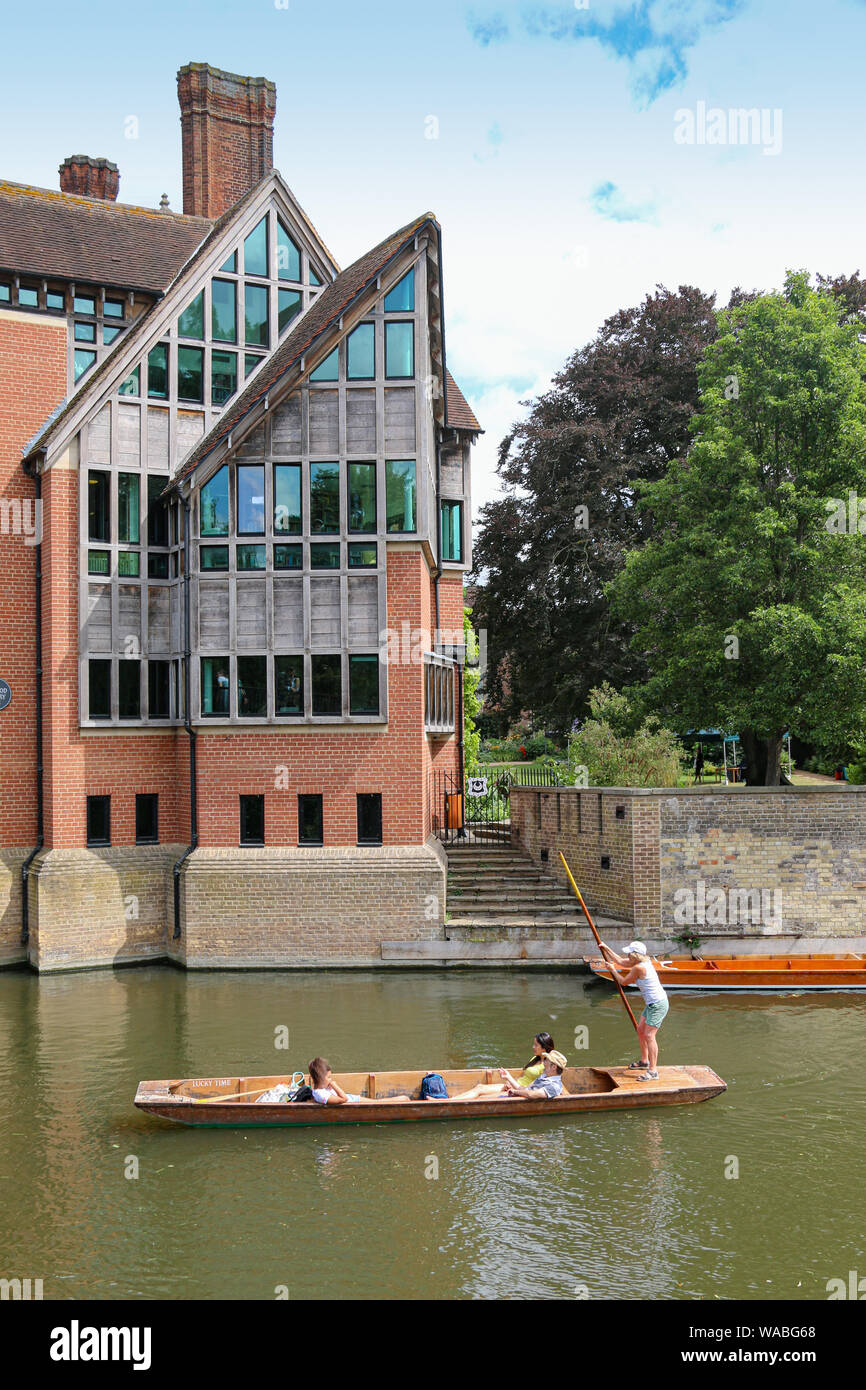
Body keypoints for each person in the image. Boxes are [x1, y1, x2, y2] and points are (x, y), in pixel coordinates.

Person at [599, 940, 669, 1081]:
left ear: (636, 955)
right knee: (640, 1030)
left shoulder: (640, 968)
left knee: (649, 1036)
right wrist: (606, 948)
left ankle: (653, 1071)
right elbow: (620, 961)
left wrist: (612, 970)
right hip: (651, 1004)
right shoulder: (640, 963)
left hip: (658, 1004)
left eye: (630, 954)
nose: (628, 956)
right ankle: (644, 1061)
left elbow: (624, 982)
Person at [447, 1032, 555, 1102]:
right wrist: (510, 1082)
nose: (533, 1047)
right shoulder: (534, 1059)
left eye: (536, 1045)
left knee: (481, 1096)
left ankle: (447, 1102)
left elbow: (536, 1086)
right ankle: (449, 1100)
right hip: (512, 1086)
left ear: (544, 1048)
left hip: (519, 1092)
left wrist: (514, 1088)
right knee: (480, 1087)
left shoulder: (548, 1066)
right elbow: (523, 1076)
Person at [451, 1047, 568, 1102]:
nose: (545, 1062)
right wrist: (508, 1077)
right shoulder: (544, 1077)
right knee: (480, 1092)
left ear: (554, 1067)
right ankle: (446, 1101)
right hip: (515, 1096)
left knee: (481, 1097)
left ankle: (445, 1102)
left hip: (516, 1099)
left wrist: (514, 1092)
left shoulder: (553, 1085)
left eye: (547, 1061)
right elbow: (523, 1088)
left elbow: (532, 1094)